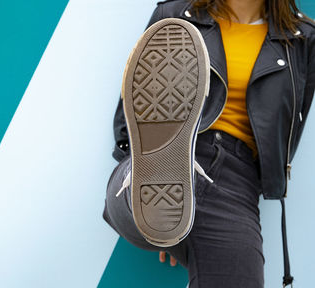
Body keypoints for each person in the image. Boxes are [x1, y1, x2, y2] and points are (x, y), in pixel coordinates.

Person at [102, 0, 315, 287]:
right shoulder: (176, 16)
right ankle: (157, 196)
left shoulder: (302, 40)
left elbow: (291, 128)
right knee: (146, 178)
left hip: (237, 181)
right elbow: (130, 116)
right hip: (164, 152)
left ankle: (168, 211)